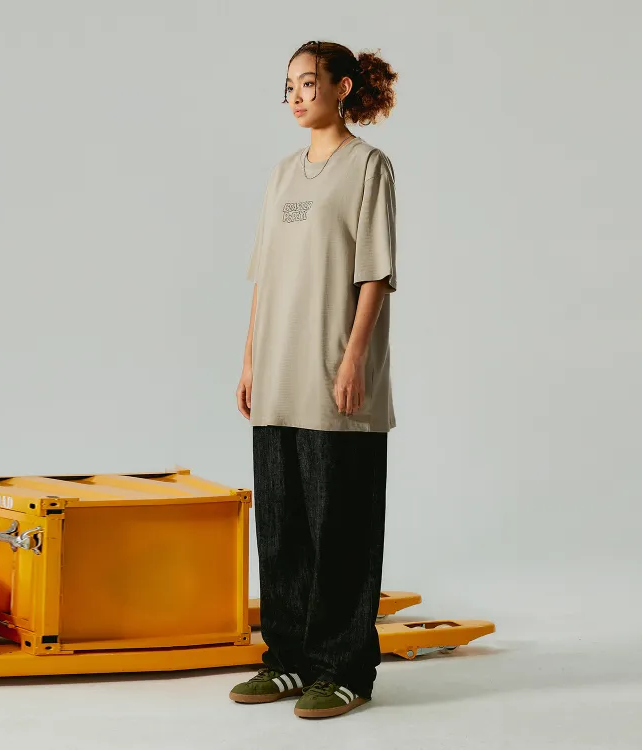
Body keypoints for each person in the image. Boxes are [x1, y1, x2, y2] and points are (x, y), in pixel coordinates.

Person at [230, 39, 399, 720]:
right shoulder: (281, 175)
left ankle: (345, 669)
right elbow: (264, 277)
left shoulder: (368, 167)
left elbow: (375, 273)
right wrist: (249, 360)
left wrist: (354, 358)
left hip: (335, 378)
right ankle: (289, 659)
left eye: (307, 83)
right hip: (278, 373)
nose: (296, 97)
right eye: (289, 87)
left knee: (341, 527)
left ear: (341, 87)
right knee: (282, 528)